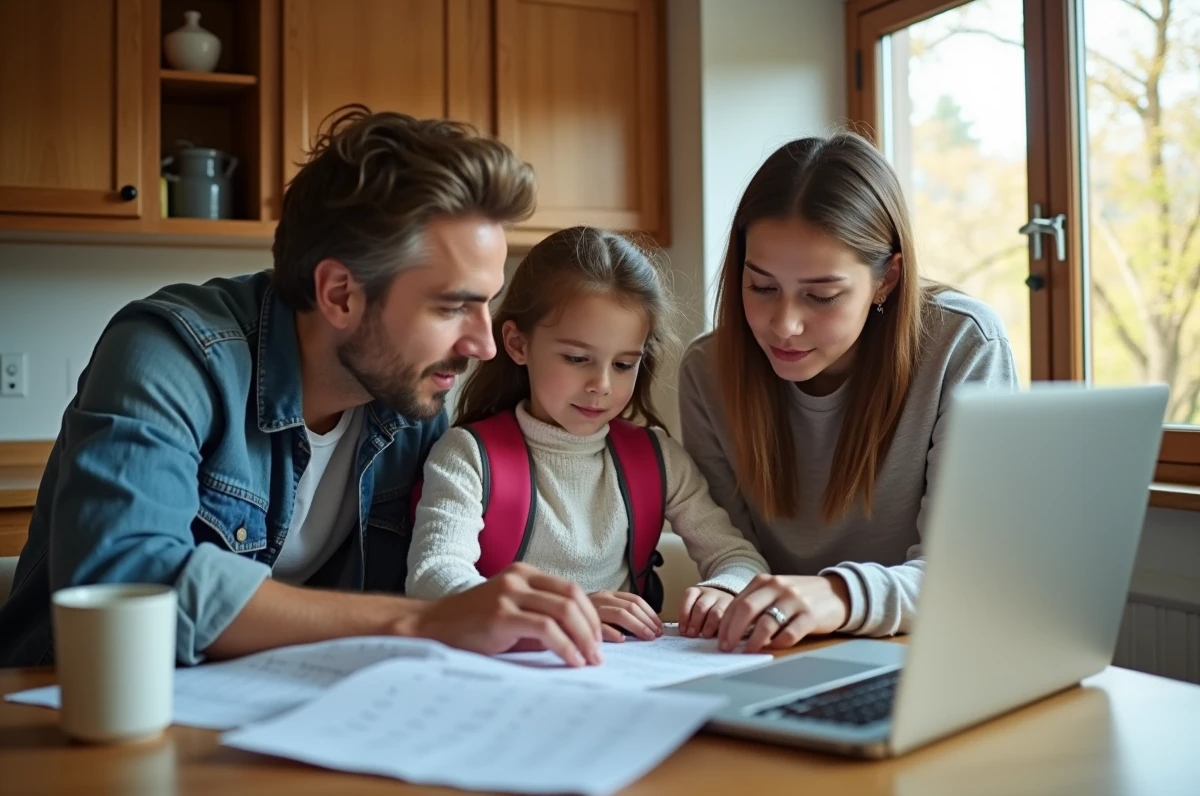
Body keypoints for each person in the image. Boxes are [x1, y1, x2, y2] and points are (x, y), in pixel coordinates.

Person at [0, 106, 607, 670]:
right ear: (340, 293)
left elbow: (440, 568)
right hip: (67, 721)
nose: (484, 345)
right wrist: (425, 621)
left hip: (275, 724)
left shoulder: (411, 404)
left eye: (486, 306)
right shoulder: (172, 353)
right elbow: (124, 583)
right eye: (452, 308)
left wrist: (553, 606)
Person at [677, 132, 1019, 654]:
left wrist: (837, 594)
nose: (784, 325)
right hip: (784, 656)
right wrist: (729, 589)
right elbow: (735, 553)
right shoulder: (708, 371)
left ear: (887, 279)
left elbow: (965, 575)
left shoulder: (963, 344)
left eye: (822, 296)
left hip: (930, 656)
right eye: (761, 287)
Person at [406, 226, 770, 642]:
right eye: (578, 358)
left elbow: (739, 558)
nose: (602, 385)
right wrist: (561, 613)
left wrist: (723, 590)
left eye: (623, 364)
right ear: (517, 343)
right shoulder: (468, 455)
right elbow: (432, 575)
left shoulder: (659, 458)